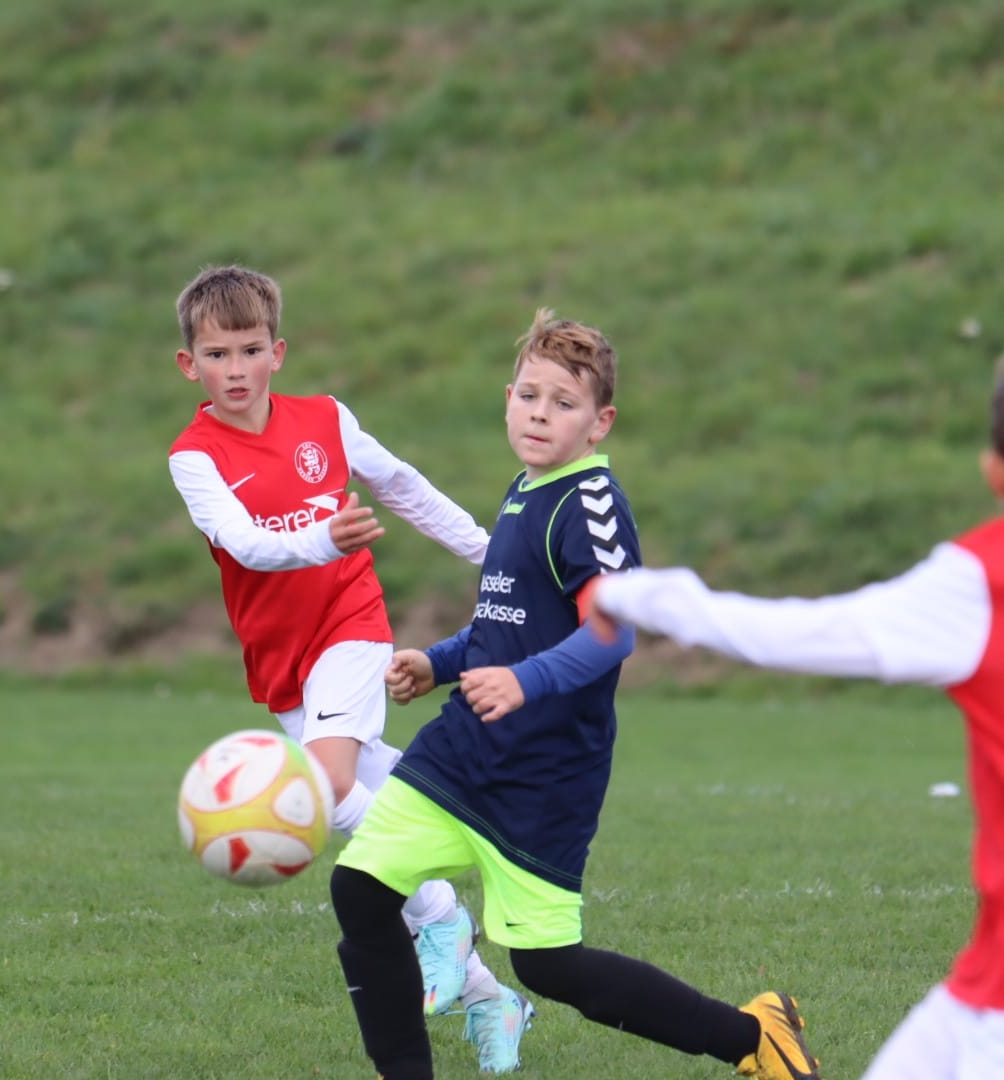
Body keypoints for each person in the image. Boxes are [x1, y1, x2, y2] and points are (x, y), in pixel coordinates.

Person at [331, 308, 822, 1079]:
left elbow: (612, 633)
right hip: (462, 754)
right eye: (529, 396)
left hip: (543, 778)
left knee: (548, 966)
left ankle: (752, 1039)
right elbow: (510, 619)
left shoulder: (590, 503)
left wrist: (523, 682)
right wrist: (440, 662)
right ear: (507, 401)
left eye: (563, 403)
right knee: (360, 890)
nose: (540, 414)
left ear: (600, 423)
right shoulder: (525, 488)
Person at [590, 364, 1004, 1079]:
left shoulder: (980, 581)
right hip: (981, 985)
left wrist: (638, 596)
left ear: (992, 469)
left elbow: (802, 634)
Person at [166, 265, 532, 1072]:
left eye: (250, 350)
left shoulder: (325, 420)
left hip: (349, 625)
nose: (236, 369)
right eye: (217, 354)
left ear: (278, 352)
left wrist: (493, 555)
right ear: (190, 365)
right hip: (281, 659)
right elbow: (243, 543)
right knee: (374, 799)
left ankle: (442, 917)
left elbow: (402, 486)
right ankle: (490, 997)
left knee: (322, 790)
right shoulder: (193, 457)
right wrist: (320, 538)